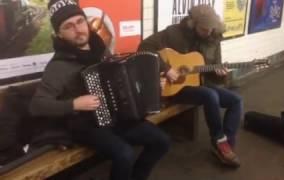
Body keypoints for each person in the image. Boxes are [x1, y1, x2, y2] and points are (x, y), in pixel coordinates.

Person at [29, 1, 170, 180]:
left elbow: (121, 78)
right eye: (69, 26)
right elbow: (37, 105)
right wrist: (74, 104)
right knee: (124, 154)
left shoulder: (100, 48)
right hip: (84, 124)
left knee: (162, 141)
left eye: (80, 21)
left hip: (116, 116)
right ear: (59, 34)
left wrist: (153, 87)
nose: (78, 29)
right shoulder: (58, 67)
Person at [138, 4, 242, 167]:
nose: (208, 32)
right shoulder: (173, 33)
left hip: (201, 83)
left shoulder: (213, 37)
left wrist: (220, 73)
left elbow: (214, 67)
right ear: (193, 23)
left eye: (210, 28)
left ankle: (226, 144)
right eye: (203, 29)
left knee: (236, 100)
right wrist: (166, 68)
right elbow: (145, 47)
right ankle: (219, 140)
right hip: (177, 87)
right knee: (210, 95)